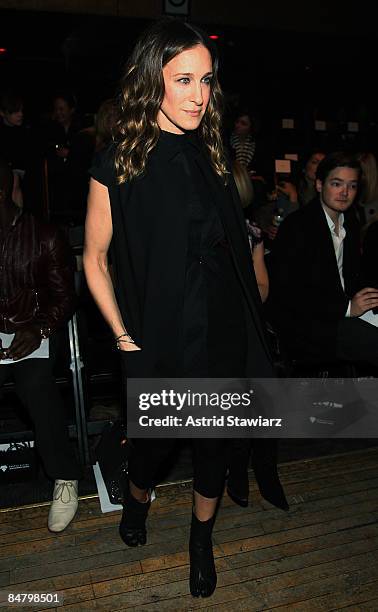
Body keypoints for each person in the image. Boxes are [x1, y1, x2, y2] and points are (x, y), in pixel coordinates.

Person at [83, 19, 281, 599]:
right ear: (155, 81)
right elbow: (94, 260)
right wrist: (122, 336)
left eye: (208, 81)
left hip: (218, 323)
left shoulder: (211, 152)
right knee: (154, 446)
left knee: (215, 444)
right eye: (184, 79)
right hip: (157, 331)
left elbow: (228, 245)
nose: (199, 95)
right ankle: (138, 500)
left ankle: (201, 543)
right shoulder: (119, 162)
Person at [0, 158, 81, 532]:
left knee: (34, 384)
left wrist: (39, 328)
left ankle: (65, 477)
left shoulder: (44, 234)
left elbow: (65, 297)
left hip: (36, 329)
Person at [267, 152, 378, 368]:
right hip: (309, 325)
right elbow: (292, 295)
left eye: (352, 186)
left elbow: (353, 276)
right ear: (319, 185)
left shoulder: (350, 223)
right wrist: (347, 308)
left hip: (340, 312)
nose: (345, 192)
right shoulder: (298, 227)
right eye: (337, 184)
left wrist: (367, 297)